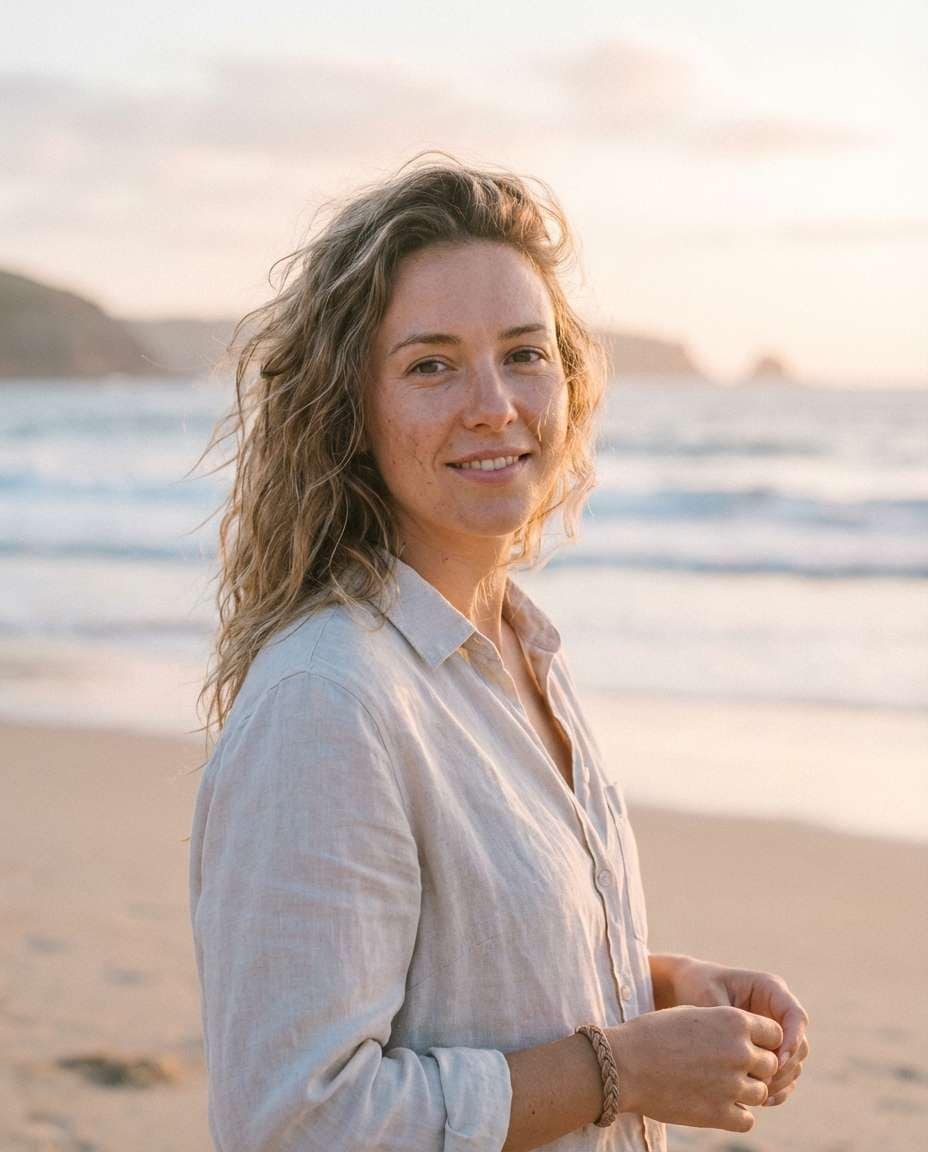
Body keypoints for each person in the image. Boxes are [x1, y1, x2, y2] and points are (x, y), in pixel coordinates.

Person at [188, 153, 809, 1152]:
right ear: (352, 407)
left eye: (523, 353)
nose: (494, 403)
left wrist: (656, 986)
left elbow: (464, 965)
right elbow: (293, 1122)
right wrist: (624, 1072)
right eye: (431, 363)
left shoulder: (522, 651)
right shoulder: (328, 700)